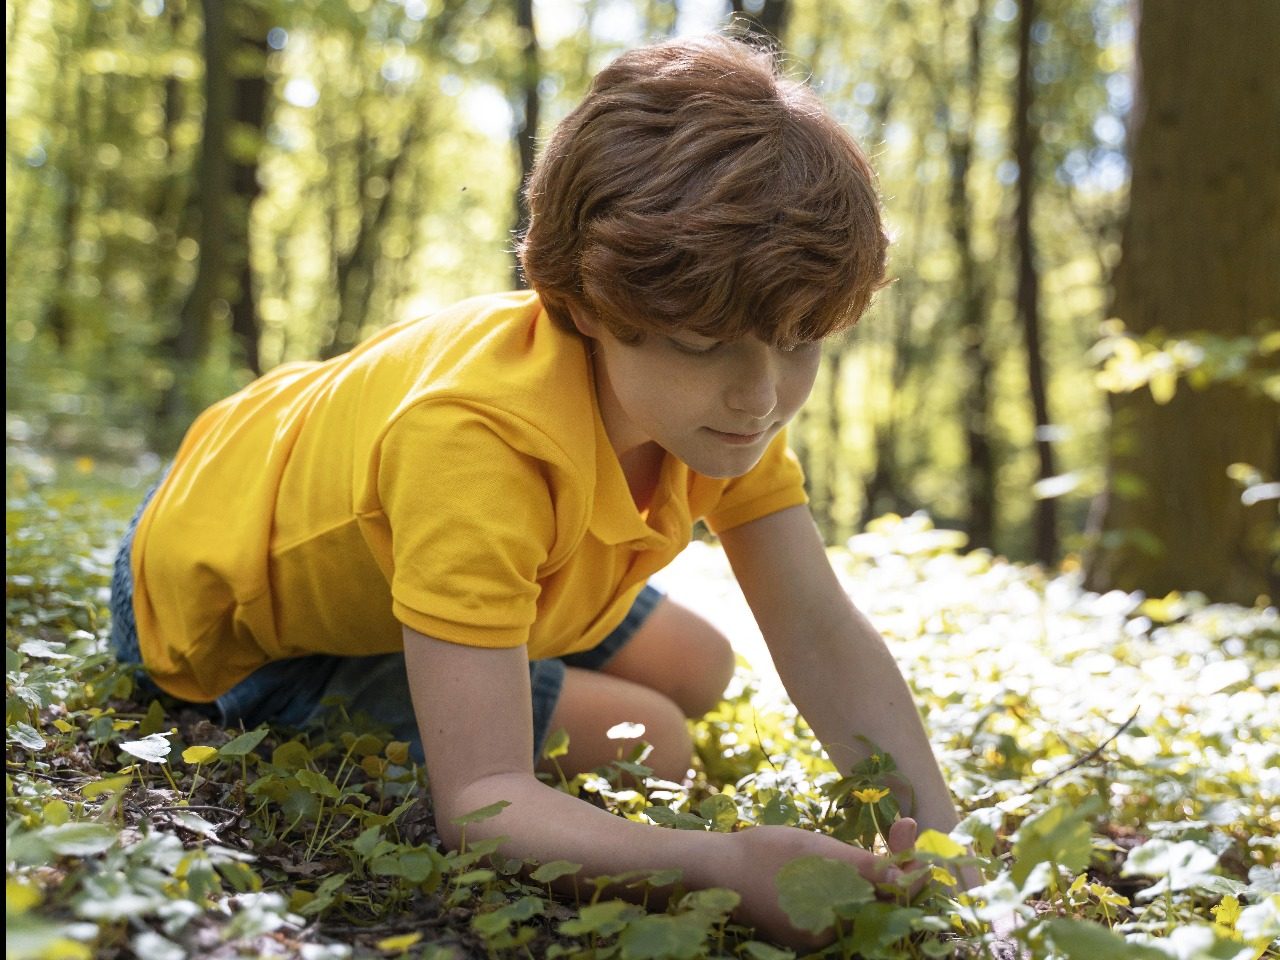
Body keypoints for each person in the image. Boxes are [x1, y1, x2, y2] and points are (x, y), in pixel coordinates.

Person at [110, 34, 963, 947]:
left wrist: (943, 838)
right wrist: (722, 864)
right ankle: (472, 656)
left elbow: (818, 627)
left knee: (702, 664)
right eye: (705, 344)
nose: (761, 397)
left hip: (324, 495)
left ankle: (493, 647)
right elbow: (483, 806)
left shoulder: (719, 411)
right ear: (592, 306)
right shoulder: (478, 447)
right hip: (218, 616)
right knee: (657, 737)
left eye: (799, 341)